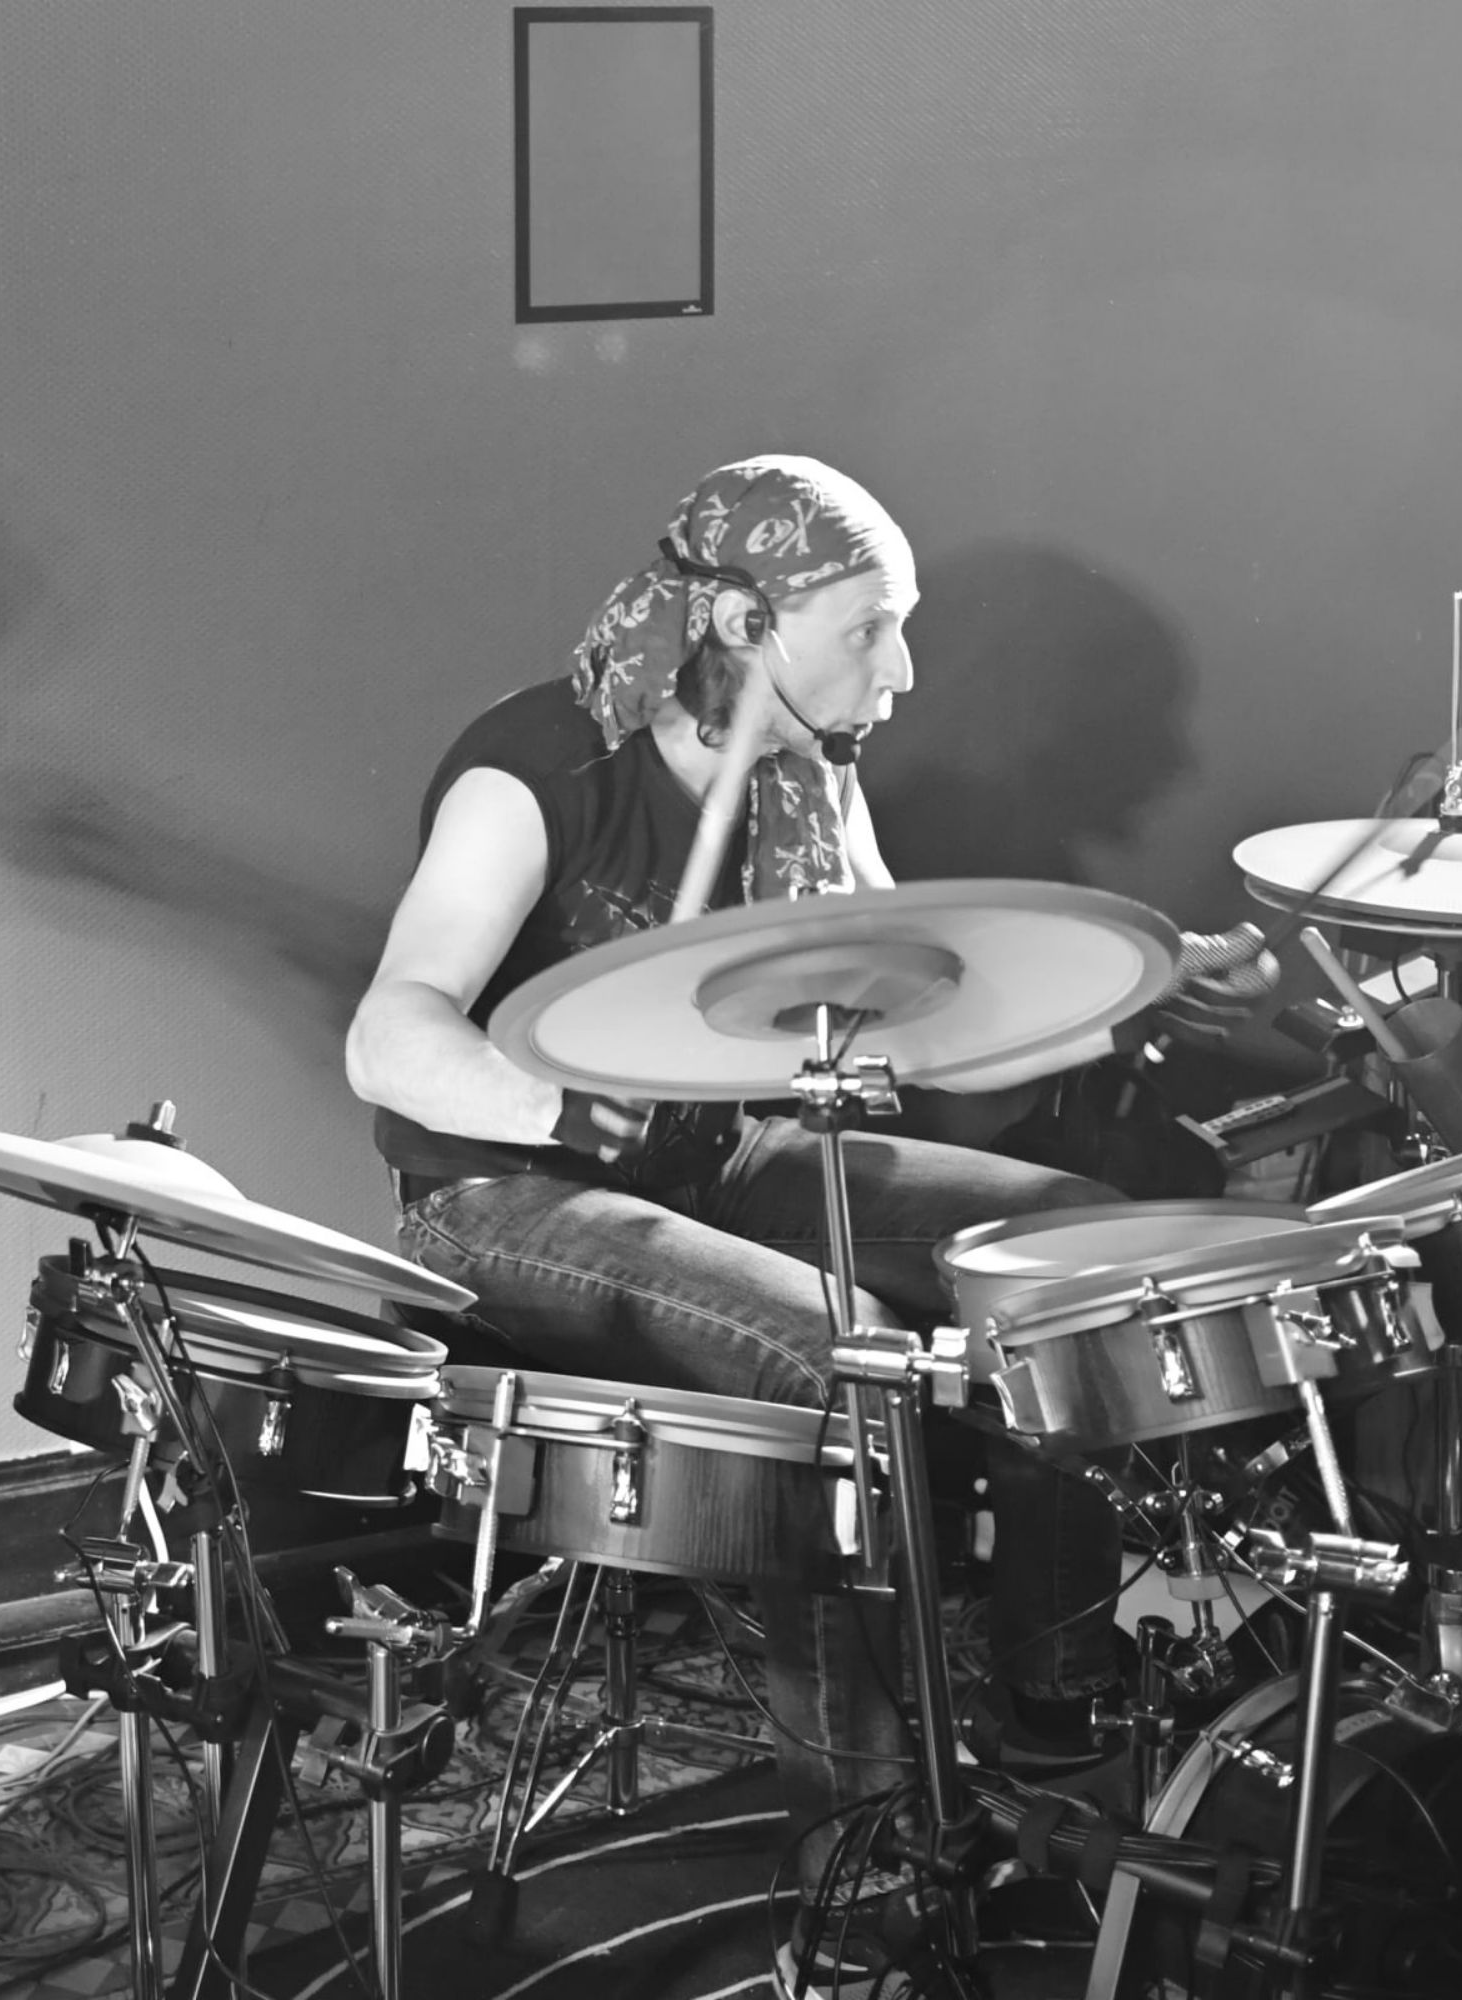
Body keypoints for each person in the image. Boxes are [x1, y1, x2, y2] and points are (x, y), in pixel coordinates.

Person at [345, 454, 1272, 1993]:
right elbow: (392, 1033)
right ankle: (861, 1865)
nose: (898, 674)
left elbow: (924, 1049)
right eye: (866, 631)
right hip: (500, 1197)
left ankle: (1053, 1714)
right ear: (739, 620)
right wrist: (559, 1108)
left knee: (1066, 1244)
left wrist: (1138, 999)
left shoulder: (806, 775)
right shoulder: (538, 769)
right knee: (842, 1359)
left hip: (725, 1160)